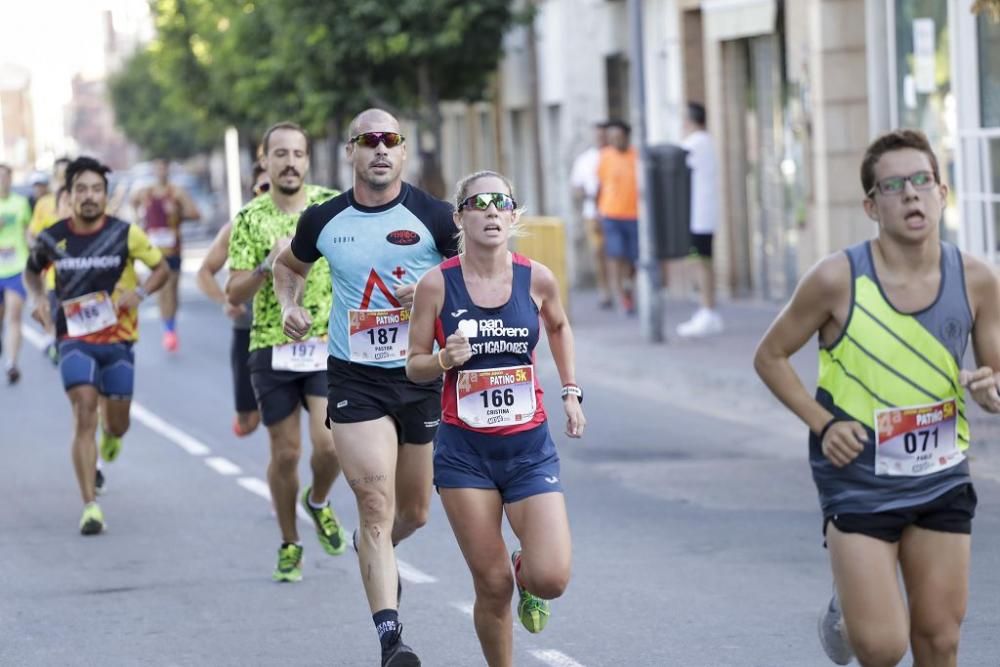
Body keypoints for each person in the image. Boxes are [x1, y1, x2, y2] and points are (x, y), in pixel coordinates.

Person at [753, 129, 1000, 667]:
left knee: (940, 639)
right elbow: (769, 356)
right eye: (893, 186)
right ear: (871, 205)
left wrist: (991, 390)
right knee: (884, 647)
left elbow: (995, 375)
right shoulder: (837, 278)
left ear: (943, 192)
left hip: (942, 475)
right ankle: (853, 603)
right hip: (858, 479)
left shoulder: (977, 279)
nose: (911, 194)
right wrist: (823, 423)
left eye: (922, 181)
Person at [274, 108, 458, 667]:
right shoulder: (323, 218)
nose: (380, 149)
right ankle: (390, 639)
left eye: (391, 140)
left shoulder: (434, 216)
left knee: (415, 513)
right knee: (376, 504)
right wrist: (289, 305)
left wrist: (431, 295)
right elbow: (289, 266)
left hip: (419, 377)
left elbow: (476, 278)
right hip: (355, 378)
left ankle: (369, 548)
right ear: (351, 152)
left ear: (402, 152)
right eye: (369, 141)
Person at [406, 170, 583, 667]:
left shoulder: (537, 278)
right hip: (465, 456)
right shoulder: (436, 285)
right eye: (477, 202)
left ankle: (529, 575)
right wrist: (443, 360)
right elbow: (413, 364)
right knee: (491, 584)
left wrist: (571, 391)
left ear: (512, 214)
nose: (490, 210)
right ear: (460, 216)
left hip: (528, 451)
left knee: (551, 577)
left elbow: (560, 325)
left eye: (500, 202)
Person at [225, 122, 347, 582]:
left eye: (298, 153)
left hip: (324, 345)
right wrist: (265, 264)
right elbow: (233, 290)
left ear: (307, 160)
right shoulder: (251, 218)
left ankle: (317, 501)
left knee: (331, 444)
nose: (290, 162)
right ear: (266, 161)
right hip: (272, 348)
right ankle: (290, 542)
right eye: (281, 154)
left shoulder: (330, 207)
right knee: (286, 454)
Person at [23, 157, 169, 534]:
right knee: (84, 409)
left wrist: (139, 292)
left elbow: (161, 269)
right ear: (68, 196)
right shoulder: (52, 236)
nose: (89, 197)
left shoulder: (125, 233)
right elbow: (32, 271)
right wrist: (38, 298)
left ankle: (112, 435)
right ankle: (90, 505)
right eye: (81, 190)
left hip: (118, 339)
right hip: (73, 337)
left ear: (106, 195)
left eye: (96, 190)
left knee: (117, 424)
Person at [197, 162, 269, 437]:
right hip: (249, 332)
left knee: (294, 428)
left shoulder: (306, 222)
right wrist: (224, 300)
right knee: (249, 423)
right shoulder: (238, 227)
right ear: (254, 191)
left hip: (298, 337)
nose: (270, 193)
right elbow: (204, 271)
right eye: (264, 187)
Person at [131, 158, 201, 352]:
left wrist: (178, 213)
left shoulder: (177, 193)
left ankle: (170, 323)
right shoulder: (146, 192)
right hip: (154, 251)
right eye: (157, 168)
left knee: (173, 290)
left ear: (168, 170)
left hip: (173, 248)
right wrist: (140, 215)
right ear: (154, 170)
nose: (161, 171)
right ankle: (168, 330)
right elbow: (132, 201)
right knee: (163, 288)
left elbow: (196, 213)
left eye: (164, 168)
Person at [675, 102, 723, 338]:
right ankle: (707, 310)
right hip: (703, 213)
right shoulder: (707, 141)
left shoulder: (695, 143)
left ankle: (706, 309)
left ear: (690, 120)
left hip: (697, 215)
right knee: (703, 261)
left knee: (699, 262)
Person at [28, 157, 72, 365]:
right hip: (55, 274)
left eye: (68, 172)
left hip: (86, 273)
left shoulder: (84, 200)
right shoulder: (44, 204)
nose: (64, 177)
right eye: (60, 173)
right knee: (59, 317)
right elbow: (32, 234)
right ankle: (59, 344)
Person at [596, 120, 638, 315]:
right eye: (611, 138)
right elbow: (600, 185)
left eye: (618, 138)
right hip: (611, 214)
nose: (614, 142)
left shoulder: (637, 156)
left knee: (633, 258)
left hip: (634, 215)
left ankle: (628, 286)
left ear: (627, 137)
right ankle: (620, 293)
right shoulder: (605, 157)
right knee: (615, 254)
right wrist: (598, 212)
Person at [569, 122, 612, 308]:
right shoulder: (585, 160)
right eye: (598, 135)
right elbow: (575, 188)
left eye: (604, 135)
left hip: (617, 212)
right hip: (593, 213)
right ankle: (605, 291)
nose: (601, 138)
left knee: (619, 253)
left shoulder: (616, 156)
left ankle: (623, 287)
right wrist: (589, 194)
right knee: (598, 252)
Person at [0, 163, 34, 384]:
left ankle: (12, 363)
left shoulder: (21, 203)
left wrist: (36, 257)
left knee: (14, 315)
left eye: (5, 177)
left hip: (16, 269)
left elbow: (28, 233)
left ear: (11, 180)